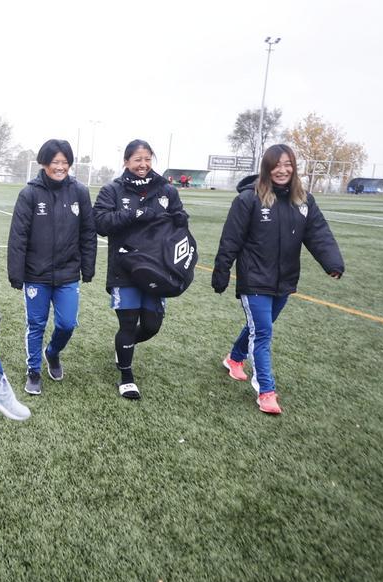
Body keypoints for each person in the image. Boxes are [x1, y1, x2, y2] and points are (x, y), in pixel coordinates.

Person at [211, 143, 344, 415]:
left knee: (260, 326)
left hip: (284, 280)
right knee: (263, 333)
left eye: (288, 164)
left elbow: (318, 233)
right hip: (254, 278)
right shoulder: (248, 200)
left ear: (294, 167)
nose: (282, 170)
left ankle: (234, 359)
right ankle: (266, 391)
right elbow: (231, 239)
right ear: (267, 168)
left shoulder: (304, 201)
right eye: (277, 165)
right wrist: (221, 271)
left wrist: (332, 262)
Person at [93, 139, 187, 400]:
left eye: (147, 159)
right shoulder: (112, 190)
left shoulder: (166, 190)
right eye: (137, 160)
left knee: (152, 325)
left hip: (159, 268)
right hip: (125, 269)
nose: (143, 164)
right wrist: (134, 214)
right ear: (126, 162)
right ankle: (126, 376)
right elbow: (100, 222)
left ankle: (125, 346)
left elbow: (180, 218)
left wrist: (180, 219)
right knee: (128, 320)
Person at [6, 139, 96, 395]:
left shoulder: (79, 192)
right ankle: (33, 371)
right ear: (44, 163)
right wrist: (16, 272)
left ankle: (52, 353)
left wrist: (87, 267)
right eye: (55, 162)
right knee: (36, 325)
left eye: (65, 162)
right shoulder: (30, 194)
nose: (60, 167)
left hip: (68, 273)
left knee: (67, 324)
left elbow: (88, 232)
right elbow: (18, 236)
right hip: (37, 275)